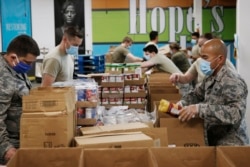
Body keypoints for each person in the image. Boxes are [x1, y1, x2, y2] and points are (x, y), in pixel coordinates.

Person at [177, 39, 249, 146]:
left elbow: (236, 113)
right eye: (201, 57)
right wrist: (182, 103)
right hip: (213, 140)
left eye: (205, 58)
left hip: (231, 144)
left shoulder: (232, 81)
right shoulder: (211, 77)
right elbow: (197, 94)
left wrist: (199, 109)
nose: (201, 61)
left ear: (220, 59)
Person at [0, 35, 40, 164]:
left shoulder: (16, 67)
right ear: (13, 57)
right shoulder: (3, 78)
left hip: (22, 141)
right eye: (27, 62)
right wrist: (6, 148)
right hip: (10, 147)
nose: (30, 66)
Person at [169, 32, 235, 86]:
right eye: (200, 46)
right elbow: (186, 78)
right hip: (203, 99)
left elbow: (235, 80)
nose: (201, 49)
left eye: (204, 45)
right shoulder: (198, 62)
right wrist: (178, 76)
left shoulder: (223, 61)